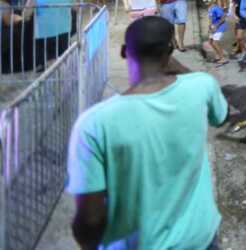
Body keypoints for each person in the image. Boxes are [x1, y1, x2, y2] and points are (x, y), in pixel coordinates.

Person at [68, 16, 228, 249]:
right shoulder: (202, 85)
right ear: (170, 51)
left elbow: (91, 218)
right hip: (199, 238)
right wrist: (177, 65)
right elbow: (221, 116)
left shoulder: (95, 123)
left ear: (124, 52)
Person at [203, 0, 229, 66]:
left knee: (215, 42)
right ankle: (218, 55)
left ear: (214, 0)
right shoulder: (210, 8)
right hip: (213, 27)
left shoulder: (216, 8)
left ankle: (223, 58)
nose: (205, 0)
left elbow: (223, 17)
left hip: (219, 27)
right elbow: (211, 19)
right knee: (210, 42)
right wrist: (210, 27)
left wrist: (216, 26)